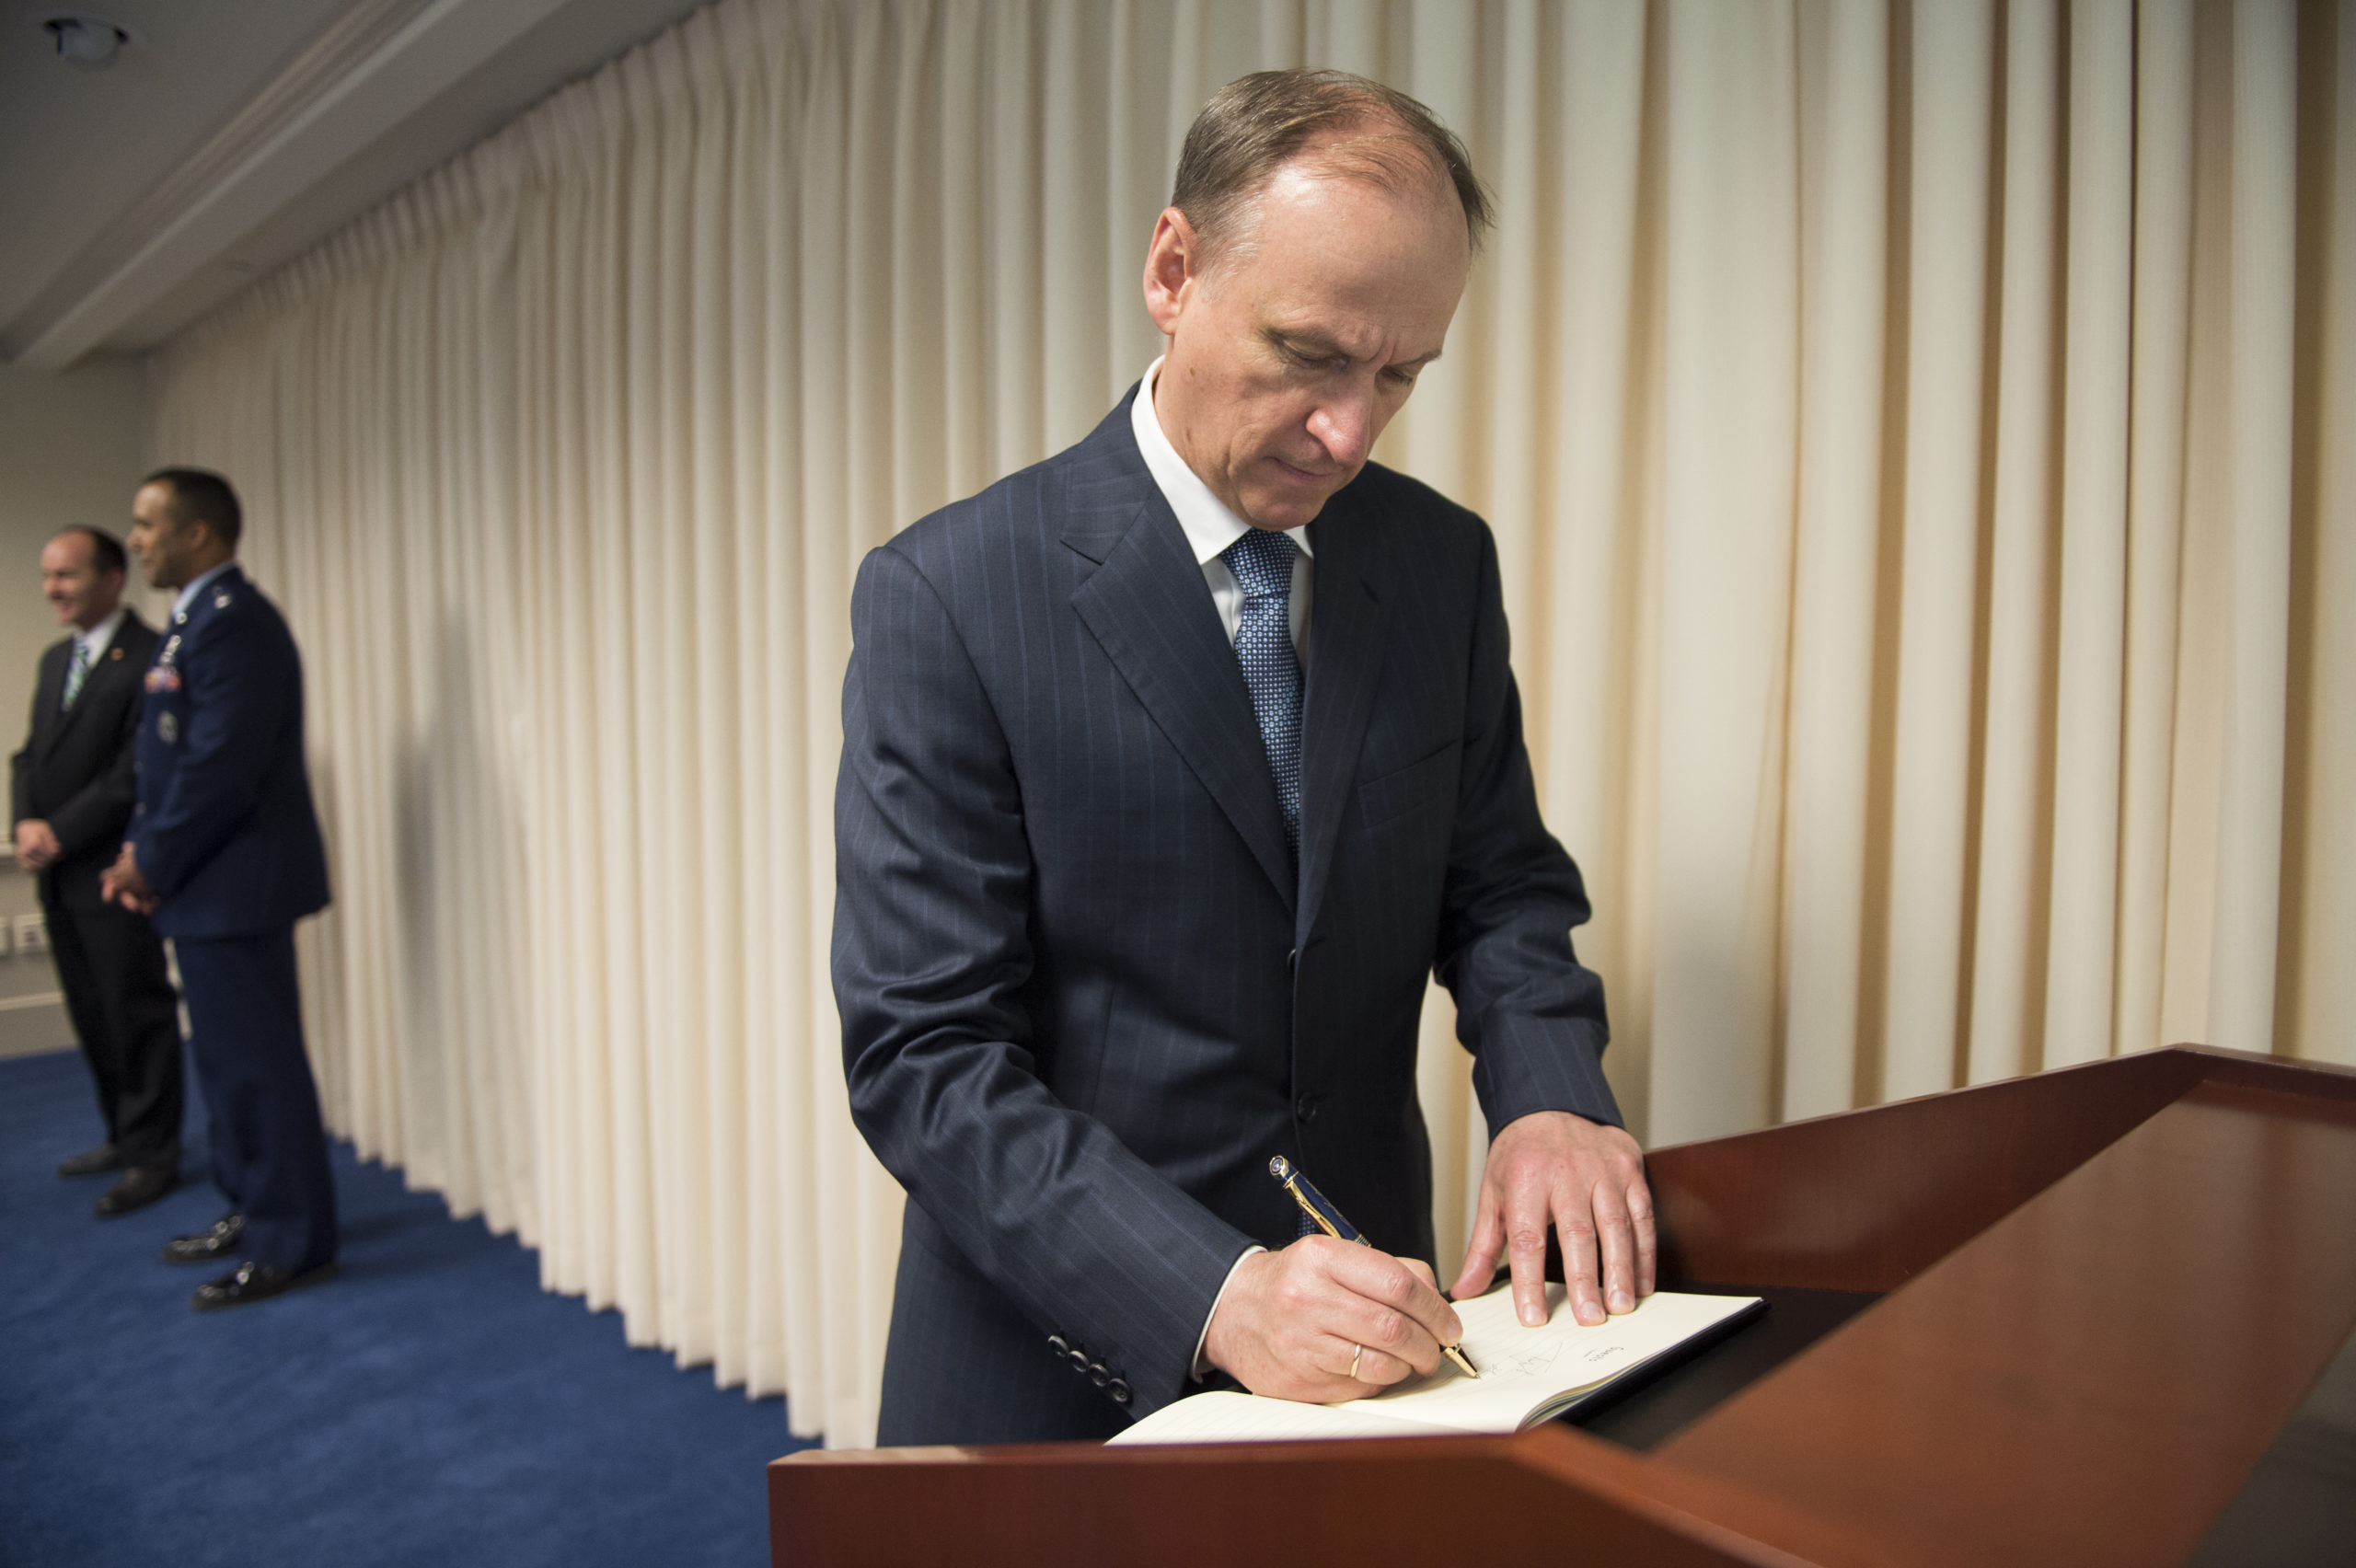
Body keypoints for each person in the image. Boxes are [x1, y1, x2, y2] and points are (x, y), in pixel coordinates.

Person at [835, 70, 1655, 1446]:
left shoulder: (1438, 562)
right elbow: (927, 1057)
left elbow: (1500, 884)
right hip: (1063, 1366)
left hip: (1382, 1338)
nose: (1352, 432)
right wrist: (1213, 1291)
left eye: (1399, 375)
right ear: (1174, 269)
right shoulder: (954, 594)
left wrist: (1553, 1096)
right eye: (1313, 355)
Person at [101, 467, 340, 1310]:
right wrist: (144, 851)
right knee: (226, 1066)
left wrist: (150, 861)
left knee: (258, 1068)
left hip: (236, 885)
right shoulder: (193, 622)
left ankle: (292, 1242)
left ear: (198, 533)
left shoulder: (236, 625)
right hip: (202, 884)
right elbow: (164, 758)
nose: (135, 541)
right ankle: (251, 1206)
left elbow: (218, 770)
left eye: (146, 525)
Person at [11, 525, 185, 1216]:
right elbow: (30, 756)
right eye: (48, 576)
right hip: (57, 870)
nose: (52, 589)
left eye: (67, 576)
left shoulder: (148, 657)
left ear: (112, 579)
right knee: (89, 1008)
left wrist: (59, 830)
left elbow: (130, 776)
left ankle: (153, 1153)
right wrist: (24, 822)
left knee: (133, 1007)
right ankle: (120, 1132)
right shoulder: (58, 659)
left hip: (114, 867)